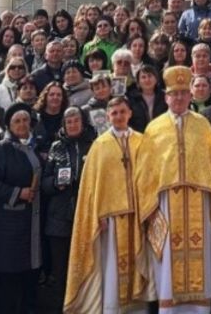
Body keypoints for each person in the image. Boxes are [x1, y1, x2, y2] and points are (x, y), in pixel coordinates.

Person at [136, 65, 211, 312]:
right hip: (165, 203)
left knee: (201, 256)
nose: (178, 98)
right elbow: (145, 172)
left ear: (190, 96)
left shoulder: (202, 125)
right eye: (174, 93)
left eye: (183, 93)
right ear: (165, 97)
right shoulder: (154, 128)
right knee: (167, 260)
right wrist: (150, 206)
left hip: (200, 200)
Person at [64, 96, 151, 313]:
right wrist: (97, 215)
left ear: (129, 113)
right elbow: (92, 186)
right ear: (108, 116)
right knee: (112, 268)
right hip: (111, 219)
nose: (119, 116)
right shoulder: (100, 145)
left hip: (137, 214)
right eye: (114, 113)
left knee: (138, 263)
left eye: (122, 112)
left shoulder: (142, 141)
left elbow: (150, 175)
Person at [0, 104, 43, 314]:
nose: (22, 124)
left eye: (25, 120)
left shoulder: (36, 146)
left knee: (30, 276)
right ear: (9, 125)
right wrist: (18, 193)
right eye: (17, 121)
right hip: (10, 224)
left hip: (33, 221)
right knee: (10, 278)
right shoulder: (3, 148)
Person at [41, 107, 95, 299]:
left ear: (83, 122)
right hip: (59, 219)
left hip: (86, 216)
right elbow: (44, 182)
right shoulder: (56, 147)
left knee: (86, 269)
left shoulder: (94, 145)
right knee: (61, 271)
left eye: (76, 121)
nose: (72, 125)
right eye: (68, 122)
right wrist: (56, 184)